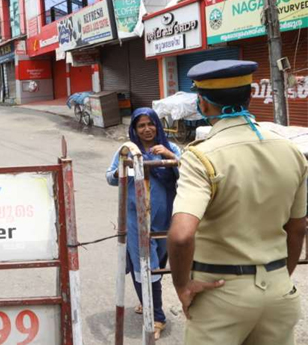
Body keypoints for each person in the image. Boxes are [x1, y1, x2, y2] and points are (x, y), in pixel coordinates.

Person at [168, 60, 307, 345]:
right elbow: (297, 228)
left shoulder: (201, 157)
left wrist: (182, 286)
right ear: (250, 96)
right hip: (279, 291)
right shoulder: (290, 150)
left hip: (219, 294)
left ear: (202, 104)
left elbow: (181, 235)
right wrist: (280, 277)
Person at [106, 107, 182, 340]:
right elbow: (109, 177)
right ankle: (157, 317)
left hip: (164, 221)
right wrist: (126, 167)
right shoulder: (126, 150)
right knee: (142, 266)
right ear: (135, 129)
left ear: (157, 125)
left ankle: (146, 301)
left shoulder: (172, 148)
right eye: (141, 125)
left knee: (157, 265)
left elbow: (189, 171)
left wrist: (170, 158)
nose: (147, 129)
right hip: (135, 221)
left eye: (151, 124)